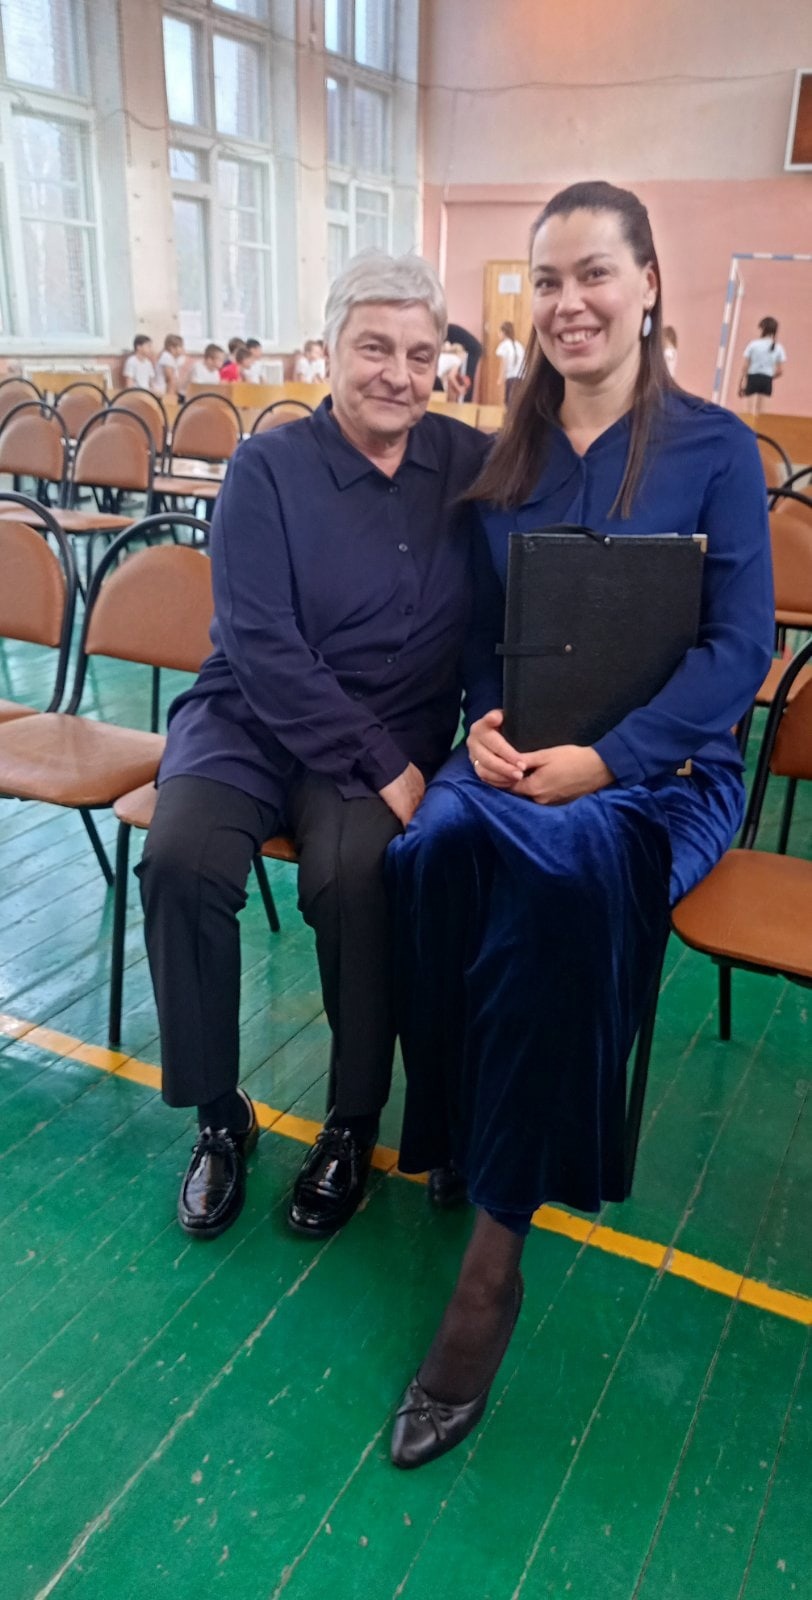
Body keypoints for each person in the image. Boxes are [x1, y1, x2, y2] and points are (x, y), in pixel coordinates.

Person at [386, 180, 774, 1470]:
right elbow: (485, 639)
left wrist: (607, 759)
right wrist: (488, 728)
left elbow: (737, 652)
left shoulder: (715, 450)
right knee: (429, 850)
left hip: (660, 776)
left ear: (647, 284)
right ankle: (452, 1122)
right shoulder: (505, 459)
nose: (568, 303)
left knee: (560, 884)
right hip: (517, 760)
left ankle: (493, 1257)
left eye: (593, 273)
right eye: (546, 280)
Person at [137, 251, 488, 1248]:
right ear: (328, 350)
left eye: (419, 354)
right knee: (179, 861)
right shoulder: (267, 467)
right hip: (250, 716)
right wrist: (386, 766)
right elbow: (258, 641)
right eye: (374, 348)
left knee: (352, 877)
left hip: (392, 719)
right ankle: (219, 1115)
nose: (397, 374)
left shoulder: (469, 465)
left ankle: (351, 1121)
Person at [739, 317, 786, 415]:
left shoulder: (753, 345)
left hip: (752, 378)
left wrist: (741, 382)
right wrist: (769, 377)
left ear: (762, 329)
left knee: (749, 413)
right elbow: (780, 371)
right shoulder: (778, 347)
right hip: (767, 379)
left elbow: (745, 366)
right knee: (762, 414)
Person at [447, 323, 483, 402]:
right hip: (474, 349)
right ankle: (465, 401)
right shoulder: (451, 329)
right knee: (468, 377)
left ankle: (464, 402)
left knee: (466, 379)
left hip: (471, 351)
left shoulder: (447, 330)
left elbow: (447, 347)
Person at [495, 319, 525, 402]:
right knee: (516, 401)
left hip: (511, 377)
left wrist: (501, 377)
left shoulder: (504, 345)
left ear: (504, 332)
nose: (498, 334)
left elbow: (504, 362)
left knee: (509, 401)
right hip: (520, 377)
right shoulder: (518, 345)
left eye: (499, 332)